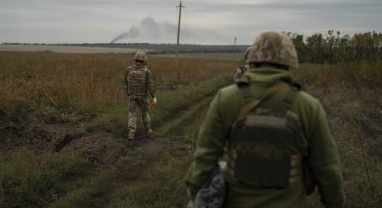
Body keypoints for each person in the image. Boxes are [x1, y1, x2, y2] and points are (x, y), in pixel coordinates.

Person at [184, 32, 345, 207]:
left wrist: (194, 191)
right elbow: (327, 169)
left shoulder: (226, 99)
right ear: (290, 62)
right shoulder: (309, 106)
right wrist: (334, 203)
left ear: (252, 59)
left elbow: (205, 154)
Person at [124, 51, 157, 142]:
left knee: (132, 114)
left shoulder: (129, 70)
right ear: (144, 60)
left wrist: (129, 93)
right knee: (145, 114)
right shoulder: (147, 71)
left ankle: (131, 134)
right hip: (143, 97)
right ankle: (148, 132)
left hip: (132, 97)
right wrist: (153, 97)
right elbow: (150, 86)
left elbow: (126, 83)